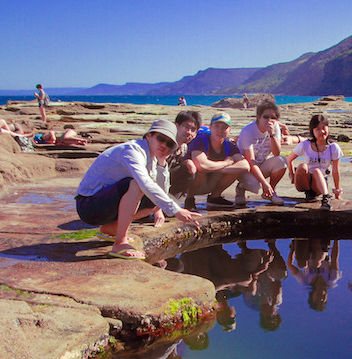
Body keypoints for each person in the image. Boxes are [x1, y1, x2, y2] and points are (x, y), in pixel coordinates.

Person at [75, 119, 200, 259]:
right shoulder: (133, 150)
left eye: (169, 144)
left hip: (103, 203)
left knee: (156, 201)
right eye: (161, 138)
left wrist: (162, 163)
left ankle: (110, 228)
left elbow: (161, 192)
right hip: (88, 205)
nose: (164, 145)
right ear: (149, 136)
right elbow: (145, 183)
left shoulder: (152, 157)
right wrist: (176, 210)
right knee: (135, 185)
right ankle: (120, 243)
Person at [184, 112, 249, 210]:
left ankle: (214, 197)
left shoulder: (229, 146)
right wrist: (225, 163)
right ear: (210, 128)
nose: (220, 130)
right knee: (200, 170)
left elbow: (245, 166)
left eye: (224, 127)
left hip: (210, 180)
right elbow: (201, 165)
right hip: (188, 184)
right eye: (217, 126)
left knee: (236, 169)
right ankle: (189, 198)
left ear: (229, 130)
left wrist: (215, 169)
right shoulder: (200, 141)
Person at [235, 101, 288, 206]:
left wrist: (271, 134)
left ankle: (270, 192)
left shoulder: (275, 127)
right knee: (255, 185)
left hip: (261, 164)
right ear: (259, 117)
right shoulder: (248, 131)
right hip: (246, 167)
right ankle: (241, 188)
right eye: (266, 117)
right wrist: (264, 183)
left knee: (281, 161)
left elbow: (276, 153)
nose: (269, 120)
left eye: (273, 118)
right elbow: (251, 161)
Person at [286, 114, 343, 210]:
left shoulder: (333, 147)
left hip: (320, 183)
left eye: (324, 128)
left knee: (317, 171)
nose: (322, 132)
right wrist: (292, 176)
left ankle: (325, 198)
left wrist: (337, 192)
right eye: (318, 129)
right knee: (302, 166)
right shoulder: (305, 144)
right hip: (305, 181)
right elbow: (289, 159)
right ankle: (309, 193)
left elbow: (335, 171)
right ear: (312, 131)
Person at [165, 110, 201, 200]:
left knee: (189, 170)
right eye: (186, 127)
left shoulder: (184, 147)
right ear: (176, 126)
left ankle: (171, 200)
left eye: (193, 130)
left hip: (166, 177)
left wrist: (187, 162)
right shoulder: (165, 143)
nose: (189, 132)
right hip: (148, 179)